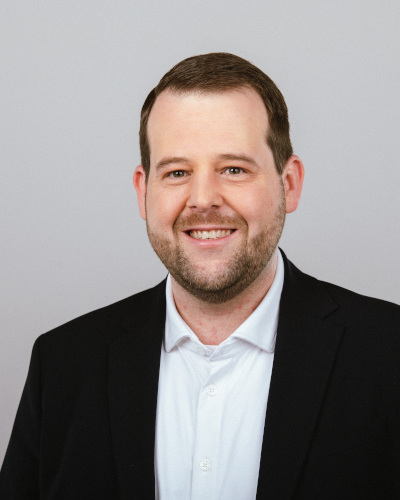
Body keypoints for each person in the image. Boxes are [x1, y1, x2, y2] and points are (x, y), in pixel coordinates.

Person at [1, 52, 399, 499]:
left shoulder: (389, 354)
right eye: (177, 172)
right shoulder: (63, 366)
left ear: (289, 184)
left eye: (234, 169)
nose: (203, 199)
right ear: (143, 190)